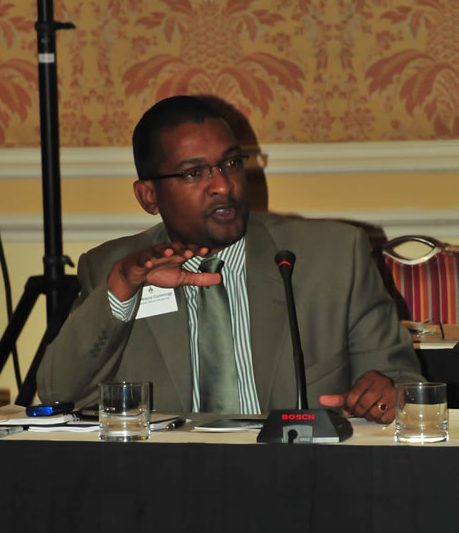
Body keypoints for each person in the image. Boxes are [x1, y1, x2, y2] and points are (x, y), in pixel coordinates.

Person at [36, 95, 422, 423]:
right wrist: (120, 290)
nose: (223, 184)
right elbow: (60, 396)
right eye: (195, 173)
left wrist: (387, 396)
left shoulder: (333, 257)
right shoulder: (115, 269)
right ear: (149, 196)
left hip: (305, 484)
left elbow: (402, 382)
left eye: (232, 163)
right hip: (167, 487)